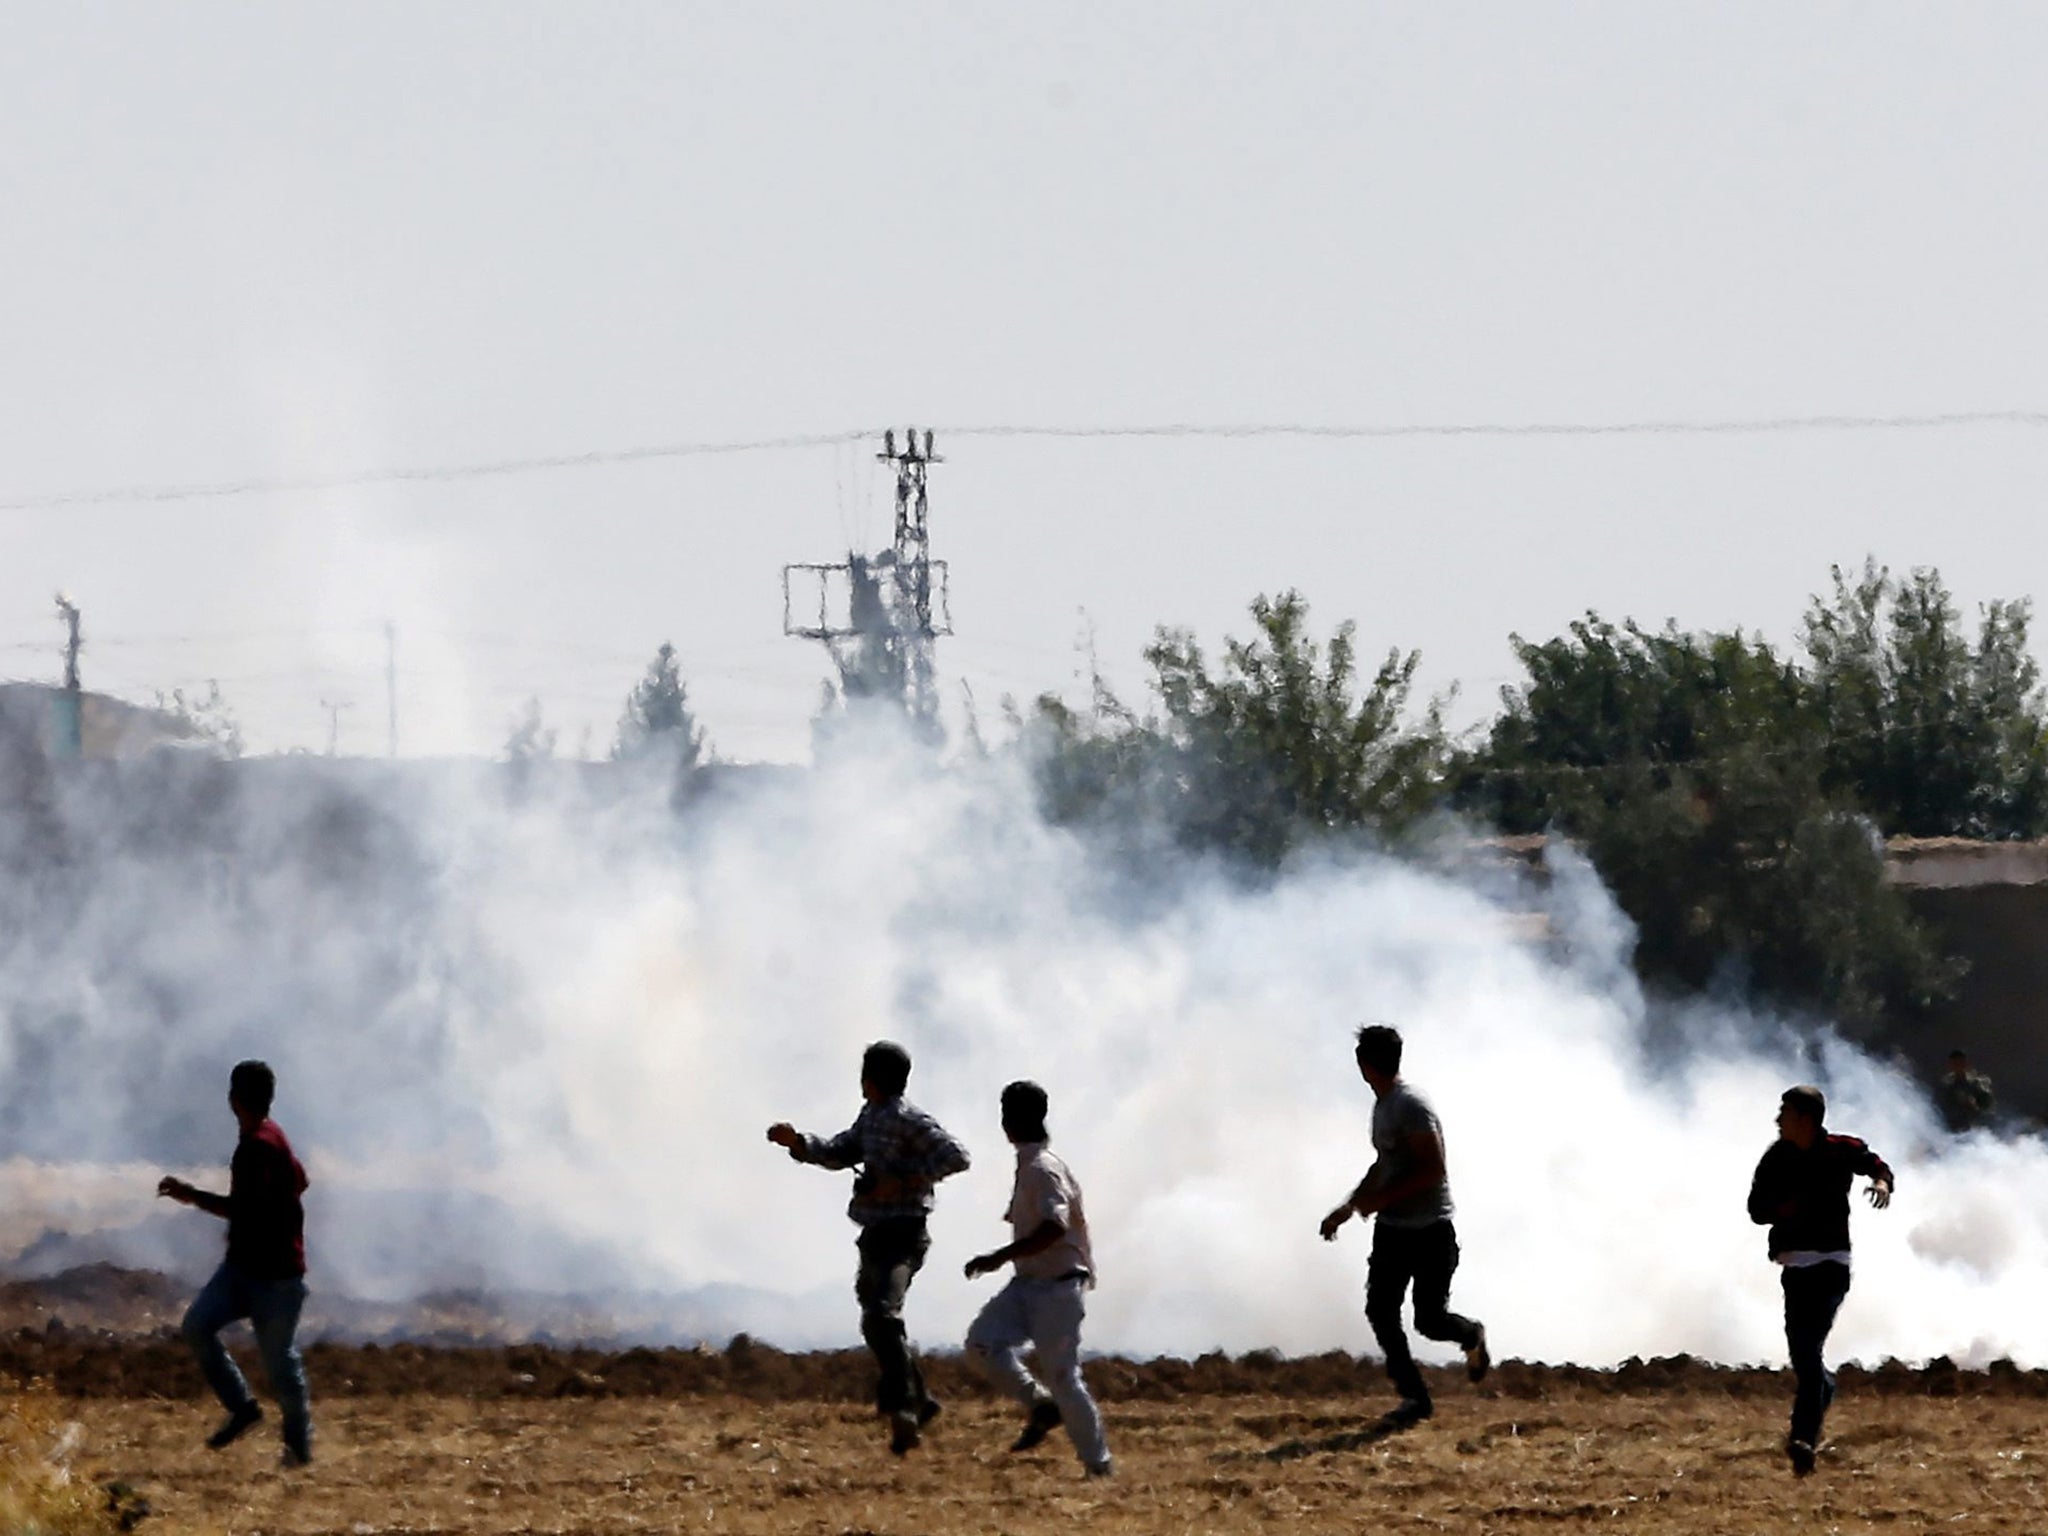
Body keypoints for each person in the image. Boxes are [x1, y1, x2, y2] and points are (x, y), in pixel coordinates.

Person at [767, 1040, 970, 1455]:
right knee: (875, 1317)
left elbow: (956, 1157)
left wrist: (905, 1181)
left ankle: (904, 1410)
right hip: (875, 1233)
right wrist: (799, 1143)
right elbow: (841, 1151)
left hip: (903, 1233)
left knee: (881, 1315)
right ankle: (924, 1401)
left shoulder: (909, 1119)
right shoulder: (873, 1116)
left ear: (871, 1079)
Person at [1319, 1024, 1489, 1427]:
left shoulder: (1411, 1106)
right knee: (1380, 1310)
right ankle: (1415, 1399)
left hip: (1430, 1229)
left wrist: (1379, 1200)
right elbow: (1384, 1165)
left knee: (1429, 1320)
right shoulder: (1384, 1107)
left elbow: (1432, 1168)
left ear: (1364, 1065)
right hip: (1394, 1230)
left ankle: (1471, 1336)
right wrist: (1349, 1207)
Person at [156, 1059, 313, 1468]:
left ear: (234, 1099)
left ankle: (296, 1447)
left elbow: (242, 1210)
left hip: (270, 1276)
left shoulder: (258, 1146)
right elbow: (302, 1180)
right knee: (205, 1329)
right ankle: (249, 1413)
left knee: (279, 1362)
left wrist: (191, 1195)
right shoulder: (270, 1138)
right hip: (251, 1268)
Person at [963, 1080, 1113, 1478]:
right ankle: (1040, 1406)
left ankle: (1098, 1466)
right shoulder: (1030, 1165)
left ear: (1012, 1120)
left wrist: (998, 1257)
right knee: (981, 1345)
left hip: (1058, 1289)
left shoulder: (1043, 1169)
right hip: (1029, 1284)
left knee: (1064, 1377)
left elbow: (1053, 1228)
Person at [1746, 1084, 1894, 1477]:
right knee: (1803, 1354)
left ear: (1806, 1119)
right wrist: (1785, 1208)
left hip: (1831, 1263)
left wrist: (1881, 1184)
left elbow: (1877, 1164)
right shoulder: (1776, 1158)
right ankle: (1824, 1391)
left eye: (1785, 1112)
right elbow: (1755, 1210)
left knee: (1808, 1349)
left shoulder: (1840, 1148)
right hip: (1795, 1267)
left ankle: (1803, 1440)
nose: (1778, 1120)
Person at [1937, 1050, 1995, 1133]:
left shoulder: (1976, 1083)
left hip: (1975, 1129)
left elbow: (1988, 1108)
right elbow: (1941, 1108)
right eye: (1955, 1064)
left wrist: (1973, 1105)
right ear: (1950, 1065)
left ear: (1966, 1064)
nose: (1958, 1066)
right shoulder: (1945, 1086)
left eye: (1961, 1063)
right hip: (1952, 1129)